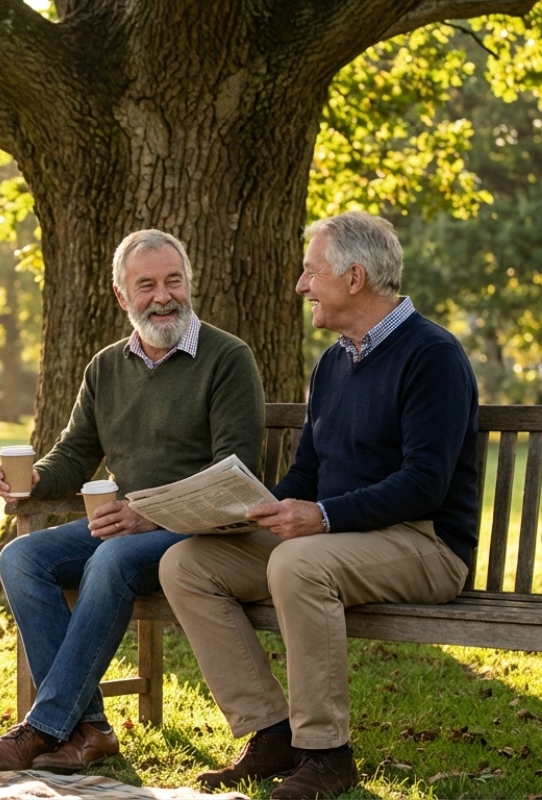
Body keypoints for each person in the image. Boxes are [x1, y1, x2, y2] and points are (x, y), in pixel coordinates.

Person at [159, 211, 478, 800]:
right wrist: (247, 509)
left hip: (424, 544)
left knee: (296, 563)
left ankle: (327, 754)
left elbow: (425, 483)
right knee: (187, 563)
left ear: (354, 278)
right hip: (336, 542)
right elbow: (308, 470)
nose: (302, 286)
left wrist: (322, 517)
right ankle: (271, 733)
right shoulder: (334, 361)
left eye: (311, 273)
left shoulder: (432, 355)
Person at [0, 229, 265, 774]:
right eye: (146, 285)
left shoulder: (227, 358)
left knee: (110, 557)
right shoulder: (106, 366)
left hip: (198, 533)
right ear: (122, 297)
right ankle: (93, 729)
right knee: (20, 558)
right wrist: (33, 478)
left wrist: (147, 513)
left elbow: (234, 475)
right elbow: (75, 455)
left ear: (188, 283)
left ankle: (43, 727)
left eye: (173, 281)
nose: (163, 296)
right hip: (126, 528)